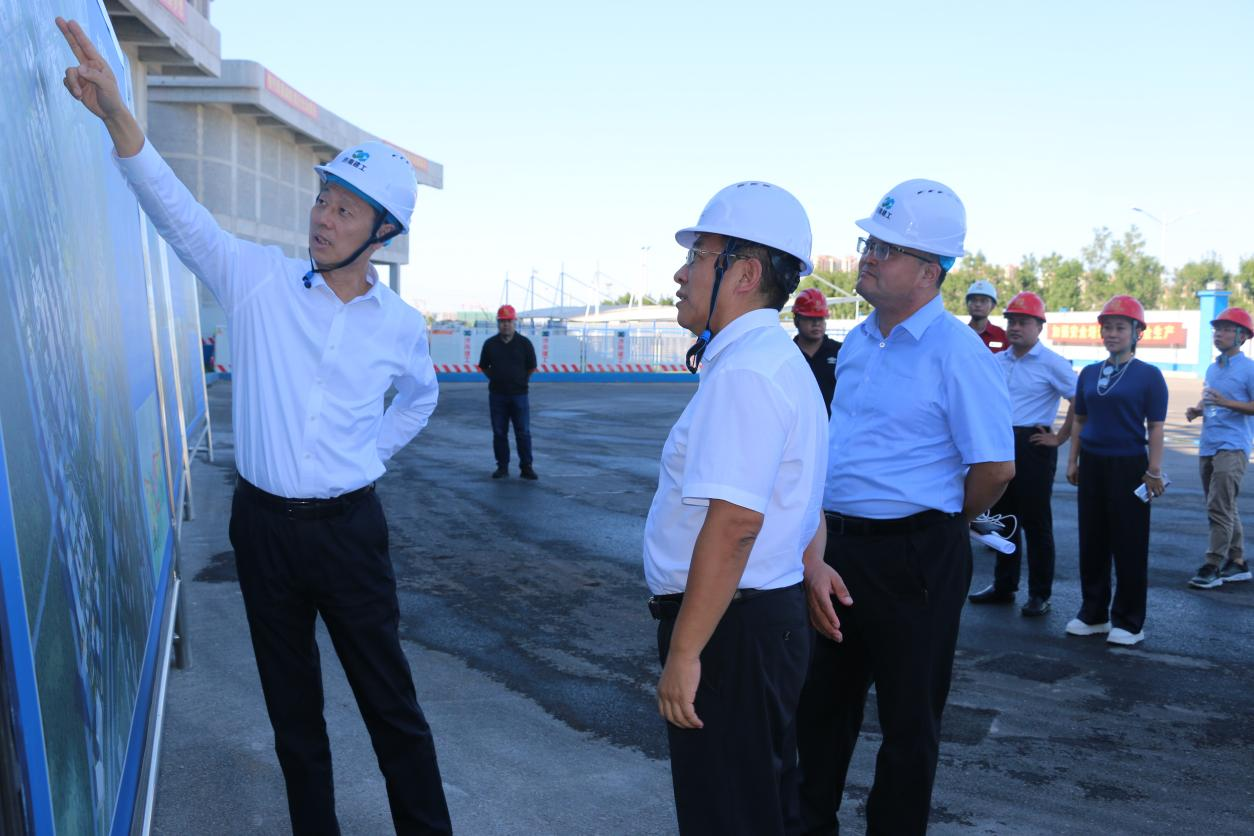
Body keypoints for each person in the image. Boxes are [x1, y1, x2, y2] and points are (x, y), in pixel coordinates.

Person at [57, 18, 452, 835]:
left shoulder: (400, 327)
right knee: (294, 721)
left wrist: (367, 455)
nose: (322, 217)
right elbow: (178, 214)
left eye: (344, 209)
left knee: (392, 710)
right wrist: (119, 116)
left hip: (350, 536)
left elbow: (420, 399)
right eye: (322, 199)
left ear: (382, 232)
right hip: (263, 529)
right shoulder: (258, 282)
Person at [796, 180, 1014, 835]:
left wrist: (938, 522)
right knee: (821, 709)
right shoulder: (859, 342)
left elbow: (995, 468)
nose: (867, 256)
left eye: (885, 248)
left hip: (916, 557)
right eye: (869, 242)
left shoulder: (958, 352)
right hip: (837, 552)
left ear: (929, 271)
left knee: (909, 723)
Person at [642, 181, 827, 835]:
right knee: (760, 809)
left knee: (727, 816)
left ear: (744, 274)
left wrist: (686, 652)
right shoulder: (772, 361)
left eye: (697, 257)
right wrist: (810, 560)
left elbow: (736, 524)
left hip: (729, 633)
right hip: (753, 622)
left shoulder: (747, 372)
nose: (680, 273)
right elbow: (799, 493)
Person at [1065, 295, 1168, 647]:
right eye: (1107, 327)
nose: (1111, 333)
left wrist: (1154, 470)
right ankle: (1093, 613)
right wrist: (1072, 460)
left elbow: (1156, 427)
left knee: (1129, 542)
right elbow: (1080, 420)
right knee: (1092, 539)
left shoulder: (1149, 376)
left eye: (1120, 327)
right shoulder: (1089, 373)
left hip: (1130, 466)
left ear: (1137, 332)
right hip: (1093, 463)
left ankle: (1129, 621)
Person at [969, 291, 1077, 616]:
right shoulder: (997, 361)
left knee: (1036, 522)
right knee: (1004, 519)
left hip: (1033, 445)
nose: (1015, 327)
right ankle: (1004, 586)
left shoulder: (1052, 363)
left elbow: (1080, 400)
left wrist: (1060, 437)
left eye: (1023, 322)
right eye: (1012, 322)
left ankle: (1040, 594)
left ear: (1039, 327)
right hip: (1000, 443)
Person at [1186, 307, 1254, 589]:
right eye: (1217, 329)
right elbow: (1211, 399)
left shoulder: (1249, 368)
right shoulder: (1213, 368)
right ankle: (1237, 561)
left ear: (1242, 336)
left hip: (1233, 445)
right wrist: (1198, 410)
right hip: (1209, 444)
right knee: (1224, 505)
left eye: (1226, 329)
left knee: (1218, 505)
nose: (1219, 334)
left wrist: (1226, 403)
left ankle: (1212, 564)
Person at [478, 304, 538, 479]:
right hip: (497, 396)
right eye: (502, 321)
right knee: (499, 432)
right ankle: (502, 467)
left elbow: (531, 367)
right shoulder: (490, 345)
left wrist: (520, 381)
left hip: (519, 396)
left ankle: (526, 467)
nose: (506, 325)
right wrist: (496, 378)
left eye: (509, 321)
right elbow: (484, 366)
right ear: (498, 323)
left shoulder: (524, 344)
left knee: (523, 432)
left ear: (514, 322)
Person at [792, 287, 842, 415]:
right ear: (796, 321)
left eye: (820, 318)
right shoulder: (787, 354)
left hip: (832, 425)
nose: (816, 323)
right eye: (810, 318)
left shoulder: (840, 352)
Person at [966, 279, 1008, 352]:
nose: (978, 304)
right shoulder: (959, 334)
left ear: (993, 306)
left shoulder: (1003, 336)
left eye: (983, 301)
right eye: (974, 300)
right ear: (967, 304)